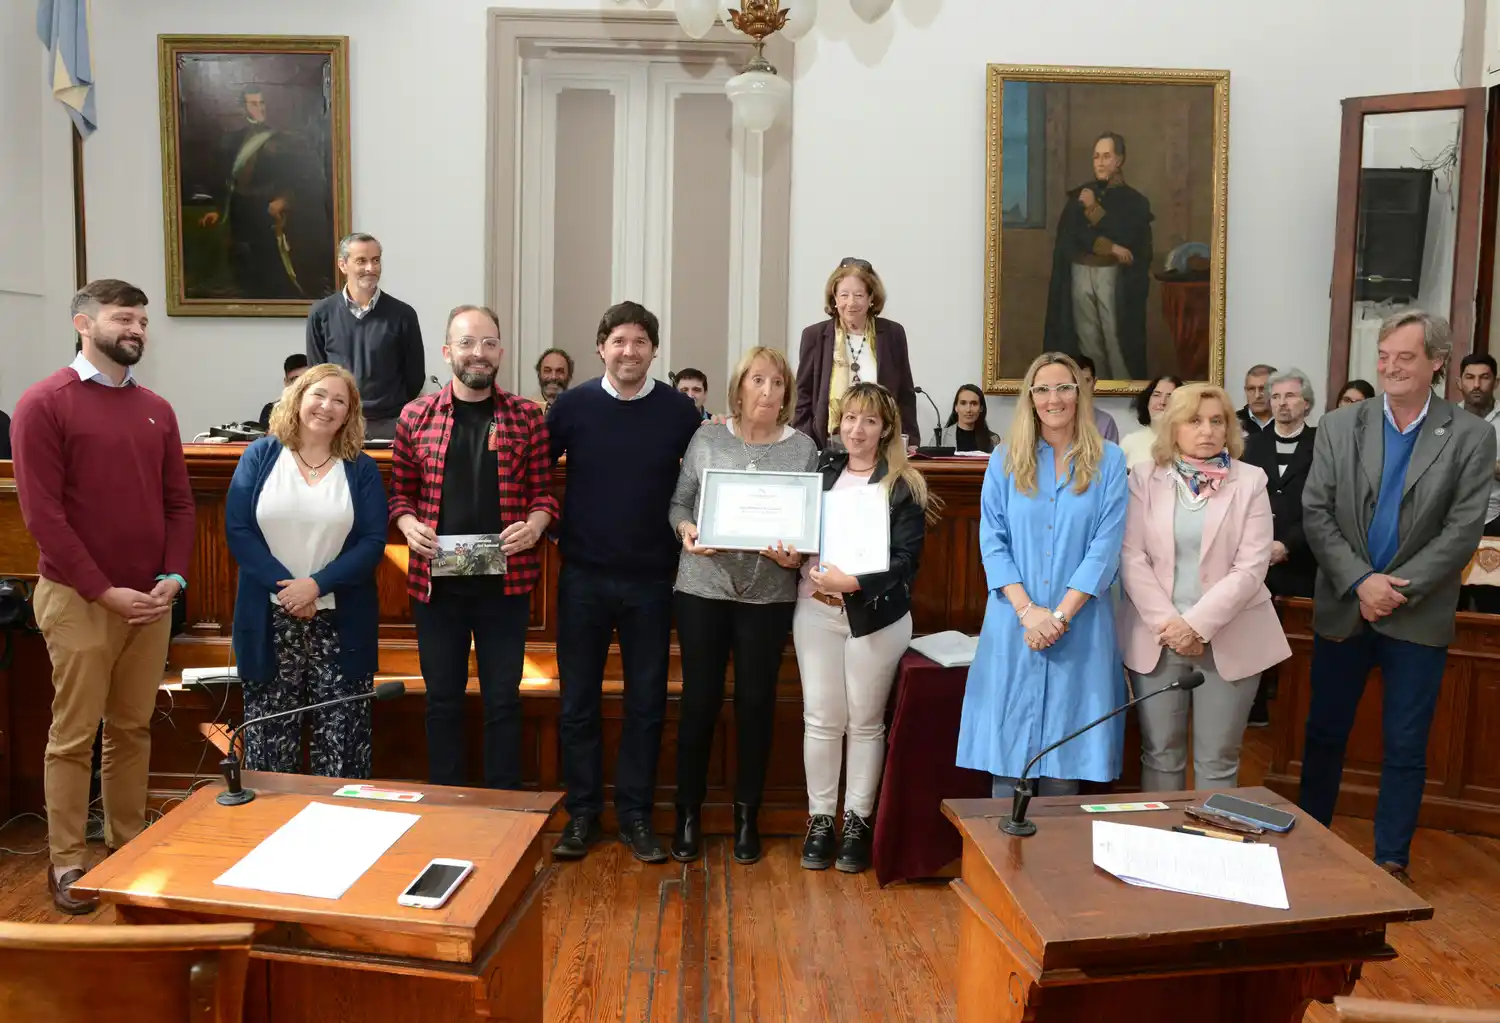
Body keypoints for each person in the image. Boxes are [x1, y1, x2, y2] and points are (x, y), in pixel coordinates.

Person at [11, 279, 194, 914]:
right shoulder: (44, 403)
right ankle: (66, 860)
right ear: (83, 324)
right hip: (79, 599)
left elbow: (179, 504)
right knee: (74, 734)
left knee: (132, 728)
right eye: (124, 318)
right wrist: (104, 591)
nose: (137, 329)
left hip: (151, 601)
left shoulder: (157, 408)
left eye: (142, 320)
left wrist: (174, 577)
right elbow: (43, 517)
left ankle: (129, 847)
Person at [1300, 309, 1496, 883]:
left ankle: (1391, 860)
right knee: (1324, 733)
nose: (1390, 367)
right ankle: (1307, 845)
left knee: (1406, 743)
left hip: (1417, 612)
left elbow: (1462, 531)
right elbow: (1317, 512)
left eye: (1405, 358)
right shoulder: (1340, 425)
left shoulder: (1471, 435)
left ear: (1438, 362)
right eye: (1383, 356)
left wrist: (1391, 590)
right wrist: (1361, 581)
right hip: (1345, 604)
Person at [547, 301, 703, 863]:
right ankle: (582, 814)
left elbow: (703, 481)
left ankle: (636, 816)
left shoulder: (679, 412)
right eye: (618, 341)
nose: (629, 351)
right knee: (578, 703)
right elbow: (535, 474)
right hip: (583, 577)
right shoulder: (572, 406)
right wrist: (551, 529)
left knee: (646, 704)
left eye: (640, 341)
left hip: (652, 581)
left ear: (654, 350)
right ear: (601, 347)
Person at [389, 306, 558, 790]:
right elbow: (399, 493)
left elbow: (545, 493)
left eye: (488, 343)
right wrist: (407, 524)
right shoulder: (415, 416)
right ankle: (448, 803)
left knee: (503, 700)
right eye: (466, 343)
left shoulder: (527, 416)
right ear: (448, 352)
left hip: (505, 587)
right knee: (442, 700)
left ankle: (502, 806)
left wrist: (535, 524)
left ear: (501, 352)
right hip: (435, 587)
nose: (477, 353)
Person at [667, 347, 816, 865]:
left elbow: (808, 527)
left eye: (777, 382)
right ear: (739, 387)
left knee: (756, 704)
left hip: (767, 596)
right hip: (702, 589)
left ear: (787, 392)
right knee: (699, 702)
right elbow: (680, 502)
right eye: (758, 380)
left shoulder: (803, 449)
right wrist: (687, 530)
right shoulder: (708, 437)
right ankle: (688, 815)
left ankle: (747, 816)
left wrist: (799, 554)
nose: (768, 391)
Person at [957, 353, 1127, 800]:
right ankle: (1002, 846)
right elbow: (992, 541)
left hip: (1080, 625)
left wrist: (1060, 617)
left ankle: (1054, 849)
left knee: (1065, 763)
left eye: (1065, 388)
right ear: (1030, 398)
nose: (1055, 398)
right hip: (1014, 622)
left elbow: (1105, 547)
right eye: (1043, 389)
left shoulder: (1110, 460)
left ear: (1080, 394)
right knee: (1008, 760)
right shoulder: (1004, 459)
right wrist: (1029, 612)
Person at [1118, 383, 1290, 792]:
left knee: (1217, 761)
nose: (1207, 430)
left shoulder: (1250, 480)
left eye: (1217, 421)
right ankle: (1162, 835)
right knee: (1160, 755)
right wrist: (1171, 625)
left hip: (1232, 635)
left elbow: (1251, 567)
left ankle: (1209, 835)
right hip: (1159, 637)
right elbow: (1131, 557)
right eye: (1194, 420)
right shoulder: (1144, 477)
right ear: (1173, 427)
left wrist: (1195, 626)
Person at [795, 382, 934, 874]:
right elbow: (800, 532)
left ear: (886, 429)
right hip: (815, 611)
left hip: (875, 616)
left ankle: (857, 820)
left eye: (870, 420)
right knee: (821, 718)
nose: (858, 429)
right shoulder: (821, 472)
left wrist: (853, 582)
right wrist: (788, 552)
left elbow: (906, 561)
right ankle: (820, 819)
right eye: (851, 418)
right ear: (840, 423)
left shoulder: (903, 483)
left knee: (865, 721)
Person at [226, 365, 388, 778]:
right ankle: (270, 818)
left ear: (350, 413)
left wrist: (315, 586)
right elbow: (239, 531)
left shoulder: (361, 468)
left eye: (339, 401)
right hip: (269, 620)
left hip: (340, 623)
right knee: (269, 748)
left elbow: (372, 542)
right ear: (298, 398)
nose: (327, 406)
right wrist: (289, 591)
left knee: (342, 747)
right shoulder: (261, 456)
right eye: (319, 395)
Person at [196, 88, 333, 300]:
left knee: (270, 266)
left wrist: (284, 200)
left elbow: (305, 178)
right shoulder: (232, 140)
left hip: (266, 209)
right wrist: (218, 209)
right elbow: (225, 180)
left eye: (262, 103)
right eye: (253, 104)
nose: (259, 108)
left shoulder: (283, 140)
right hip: (238, 210)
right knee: (240, 264)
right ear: (243, 108)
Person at [1240, 369, 1320, 727]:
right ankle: (1254, 708)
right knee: (1253, 637)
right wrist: (1261, 545)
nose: (1281, 403)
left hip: (1304, 559)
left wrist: (1288, 544)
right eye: (1276, 397)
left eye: (1290, 396)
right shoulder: (1251, 446)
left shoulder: (1322, 444)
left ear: (1307, 403)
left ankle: (1294, 714)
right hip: (1256, 560)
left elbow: (1324, 505)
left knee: (1299, 643)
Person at [1042, 132, 1154, 380]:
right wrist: (1111, 248)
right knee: (1087, 339)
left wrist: (1093, 209)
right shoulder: (1080, 196)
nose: (1100, 163)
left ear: (1119, 160)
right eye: (1096, 157)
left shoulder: (1134, 201)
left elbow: (1126, 235)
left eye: (1106, 156)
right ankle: (1096, 387)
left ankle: (1121, 389)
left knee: (1115, 338)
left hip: (1112, 276)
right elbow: (1072, 236)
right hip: (1080, 273)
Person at [306, 233, 425, 441]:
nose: (371, 268)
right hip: (338, 424)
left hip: (390, 425)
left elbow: (415, 377)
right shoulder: (321, 313)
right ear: (343, 265)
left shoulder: (403, 315)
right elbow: (317, 374)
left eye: (376, 260)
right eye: (361, 261)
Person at [793, 258, 919, 451]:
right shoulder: (814, 336)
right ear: (834, 299)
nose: (851, 303)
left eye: (859, 295)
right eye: (844, 295)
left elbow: (905, 394)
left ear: (871, 298)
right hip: (827, 445)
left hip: (882, 445)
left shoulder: (892, 334)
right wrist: (805, 445)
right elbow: (803, 397)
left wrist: (910, 441)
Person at [1457, 354, 1500, 612]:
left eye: (1484, 378)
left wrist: (1484, 464)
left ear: (1496, 382)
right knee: (1451, 603)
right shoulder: (1445, 419)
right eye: (1470, 377)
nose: (1476, 385)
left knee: (1492, 606)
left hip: (1495, 519)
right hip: (1452, 520)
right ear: (1459, 382)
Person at [1118, 374, 1182, 469]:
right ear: (1147, 400)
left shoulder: (1186, 443)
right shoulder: (1130, 441)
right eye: (1156, 395)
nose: (1162, 402)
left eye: (1170, 396)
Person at [938, 384, 999, 452]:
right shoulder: (940, 437)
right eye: (963, 403)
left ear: (981, 408)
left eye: (974, 403)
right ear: (956, 407)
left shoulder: (993, 439)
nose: (968, 410)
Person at [1075, 355, 1121, 442]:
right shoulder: (1053, 418)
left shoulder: (1106, 422)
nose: (1081, 387)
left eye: (1086, 381)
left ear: (1094, 383)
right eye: (1075, 381)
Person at [258, 353, 309, 428]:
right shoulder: (271, 410)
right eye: (295, 380)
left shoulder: (320, 408)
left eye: (305, 379)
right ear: (286, 382)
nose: (300, 385)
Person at [1237, 364, 1276, 437]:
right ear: (1245, 391)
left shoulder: (1289, 422)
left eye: (1263, 389)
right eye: (1251, 389)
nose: (1257, 395)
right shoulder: (1232, 422)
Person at [530, 347, 573, 412]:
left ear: (569, 376)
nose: (553, 377)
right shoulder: (525, 410)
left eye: (559, 371)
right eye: (547, 371)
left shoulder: (579, 409)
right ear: (539, 374)